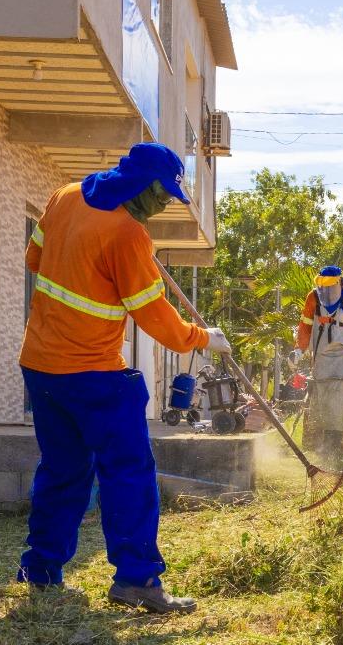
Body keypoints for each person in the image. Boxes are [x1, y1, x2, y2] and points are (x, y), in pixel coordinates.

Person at [18, 142, 230, 614]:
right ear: (142, 185)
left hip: (40, 366)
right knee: (129, 472)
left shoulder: (64, 196)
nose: (162, 205)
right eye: (162, 194)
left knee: (62, 469)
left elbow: (36, 260)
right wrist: (202, 337)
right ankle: (136, 579)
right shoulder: (128, 236)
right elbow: (157, 319)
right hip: (92, 373)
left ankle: (40, 570)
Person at [295, 265, 343, 459]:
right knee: (320, 397)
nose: (326, 290)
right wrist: (298, 350)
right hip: (320, 353)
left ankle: (335, 448)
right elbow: (305, 326)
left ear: (338, 283)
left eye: (330, 285)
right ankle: (315, 445)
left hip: (342, 355)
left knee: (338, 400)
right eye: (323, 285)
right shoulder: (313, 297)